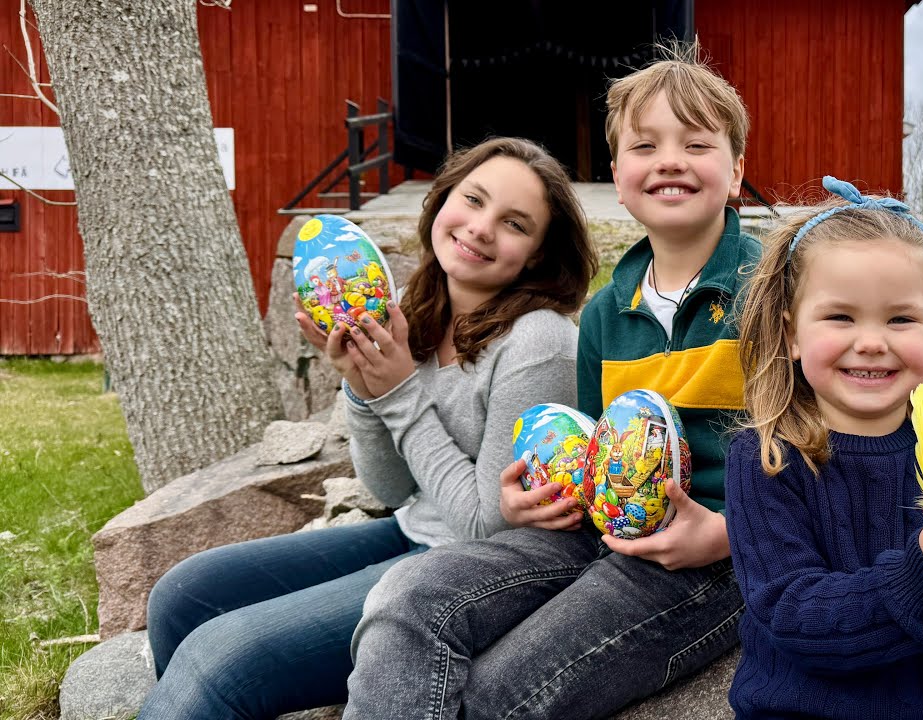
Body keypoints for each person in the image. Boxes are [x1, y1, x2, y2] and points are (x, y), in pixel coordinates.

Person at [343, 47, 758, 719]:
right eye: (644, 145)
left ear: (736, 171)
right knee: (407, 600)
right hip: (609, 536)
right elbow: (602, 456)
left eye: (697, 143)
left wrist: (729, 532)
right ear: (617, 177)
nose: (670, 159)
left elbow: (817, 448)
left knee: (498, 698)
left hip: (720, 561)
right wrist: (537, 495)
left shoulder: (769, 295)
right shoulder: (603, 314)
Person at [137, 137, 597, 720]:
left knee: (220, 658)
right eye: (473, 200)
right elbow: (389, 490)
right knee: (182, 596)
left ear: (535, 254)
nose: (481, 228)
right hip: (411, 531)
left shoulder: (539, 342)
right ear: (442, 199)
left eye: (513, 223)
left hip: (470, 574)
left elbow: (486, 525)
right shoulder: (413, 308)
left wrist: (398, 393)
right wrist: (360, 385)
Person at [726, 176, 923, 719]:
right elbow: (795, 621)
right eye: (840, 316)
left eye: (900, 319)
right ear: (792, 334)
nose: (872, 340)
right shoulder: (766, 461)